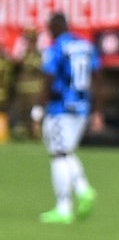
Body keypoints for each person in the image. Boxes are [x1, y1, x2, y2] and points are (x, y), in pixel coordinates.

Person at [39, 12, 100, 224]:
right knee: (66, 153)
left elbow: (48, 78)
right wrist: (97, 110)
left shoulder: (56, 48)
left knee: (58, 155)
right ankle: (83, 189)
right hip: (81, 108)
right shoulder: (85, 45)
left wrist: (38, 108)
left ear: (55, 27)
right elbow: (98, 77)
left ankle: (64, 206)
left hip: (60, 108)